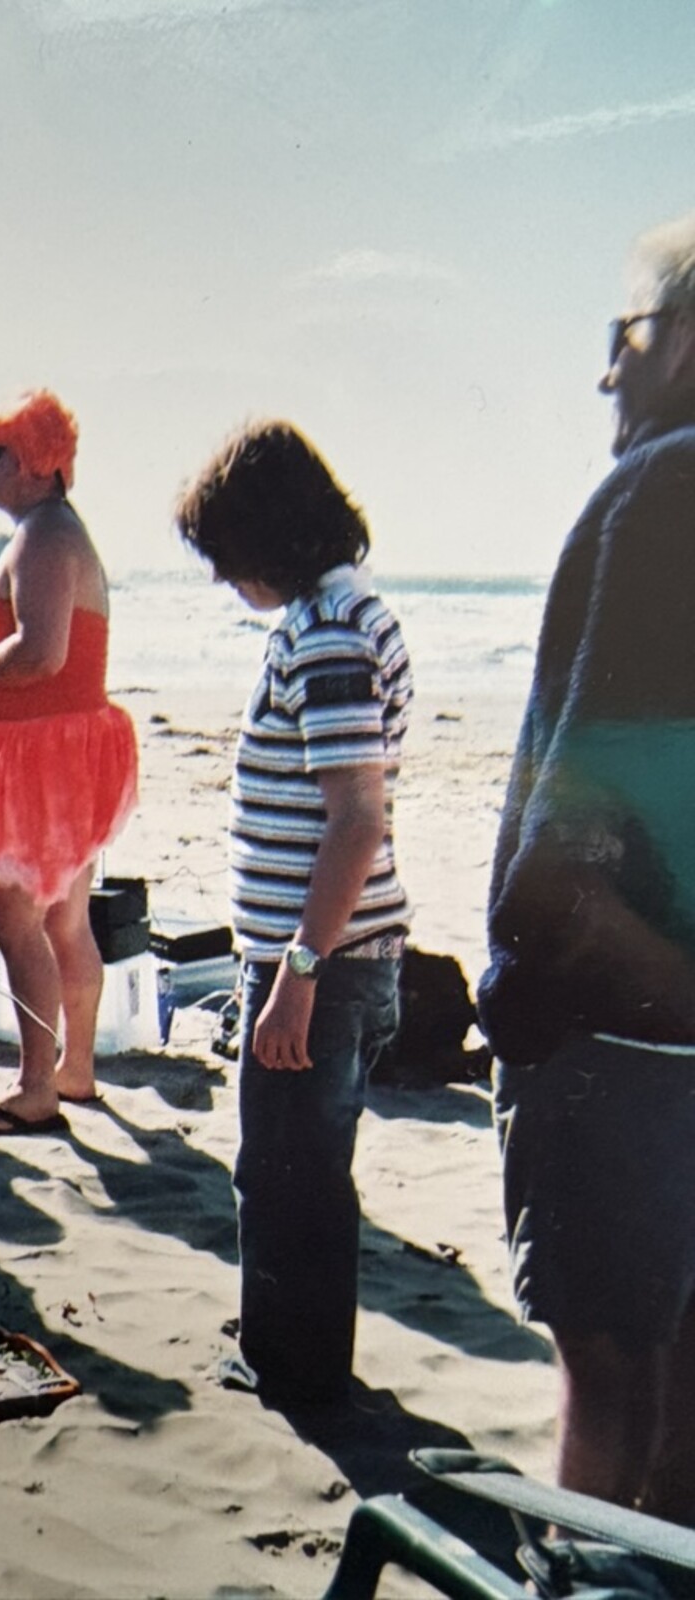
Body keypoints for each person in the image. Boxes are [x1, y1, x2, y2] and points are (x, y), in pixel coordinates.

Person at [479, 212, 695, 1521]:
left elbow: (557, 884)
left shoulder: (667, 490)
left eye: (625, 336)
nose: (606, 374)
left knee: (616, 1408)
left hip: (625, 1070)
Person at [174, 420, 412, 1410]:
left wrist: (295, 978)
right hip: (331, 955)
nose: (232, 584)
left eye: (232, 563)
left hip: (321, 961)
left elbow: (356, 820)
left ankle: (292, 1373)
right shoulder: (344, 612)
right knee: (302, 1171)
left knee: (288, 1179)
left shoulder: (328, 636)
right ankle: (292, 1348)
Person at [0, 390, 138, 1133]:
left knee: (17, 919)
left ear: (36, 463)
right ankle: (74, 1072)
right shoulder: (59, 531)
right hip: (68, 751)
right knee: (67, 920)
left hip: (40, 753)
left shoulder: (45, 535)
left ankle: (36, 1086)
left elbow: (41, 652)